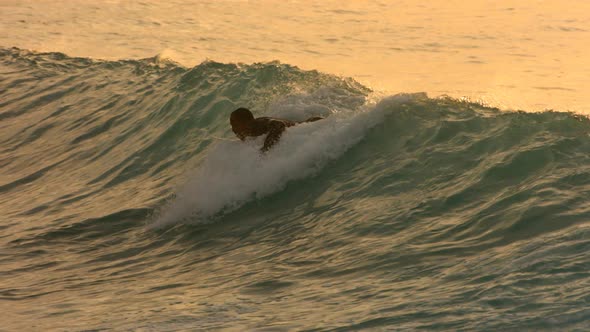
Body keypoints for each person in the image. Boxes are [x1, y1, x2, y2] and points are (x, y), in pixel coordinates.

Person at [230, 107, 323, 152]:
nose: (233, 129)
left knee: (308, 122)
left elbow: (279, 124)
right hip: (302, 126)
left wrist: (266, 148)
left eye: (234, 124)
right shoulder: (248, 131)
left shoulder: (259, 124)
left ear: (245, 122)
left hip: (306, 126)